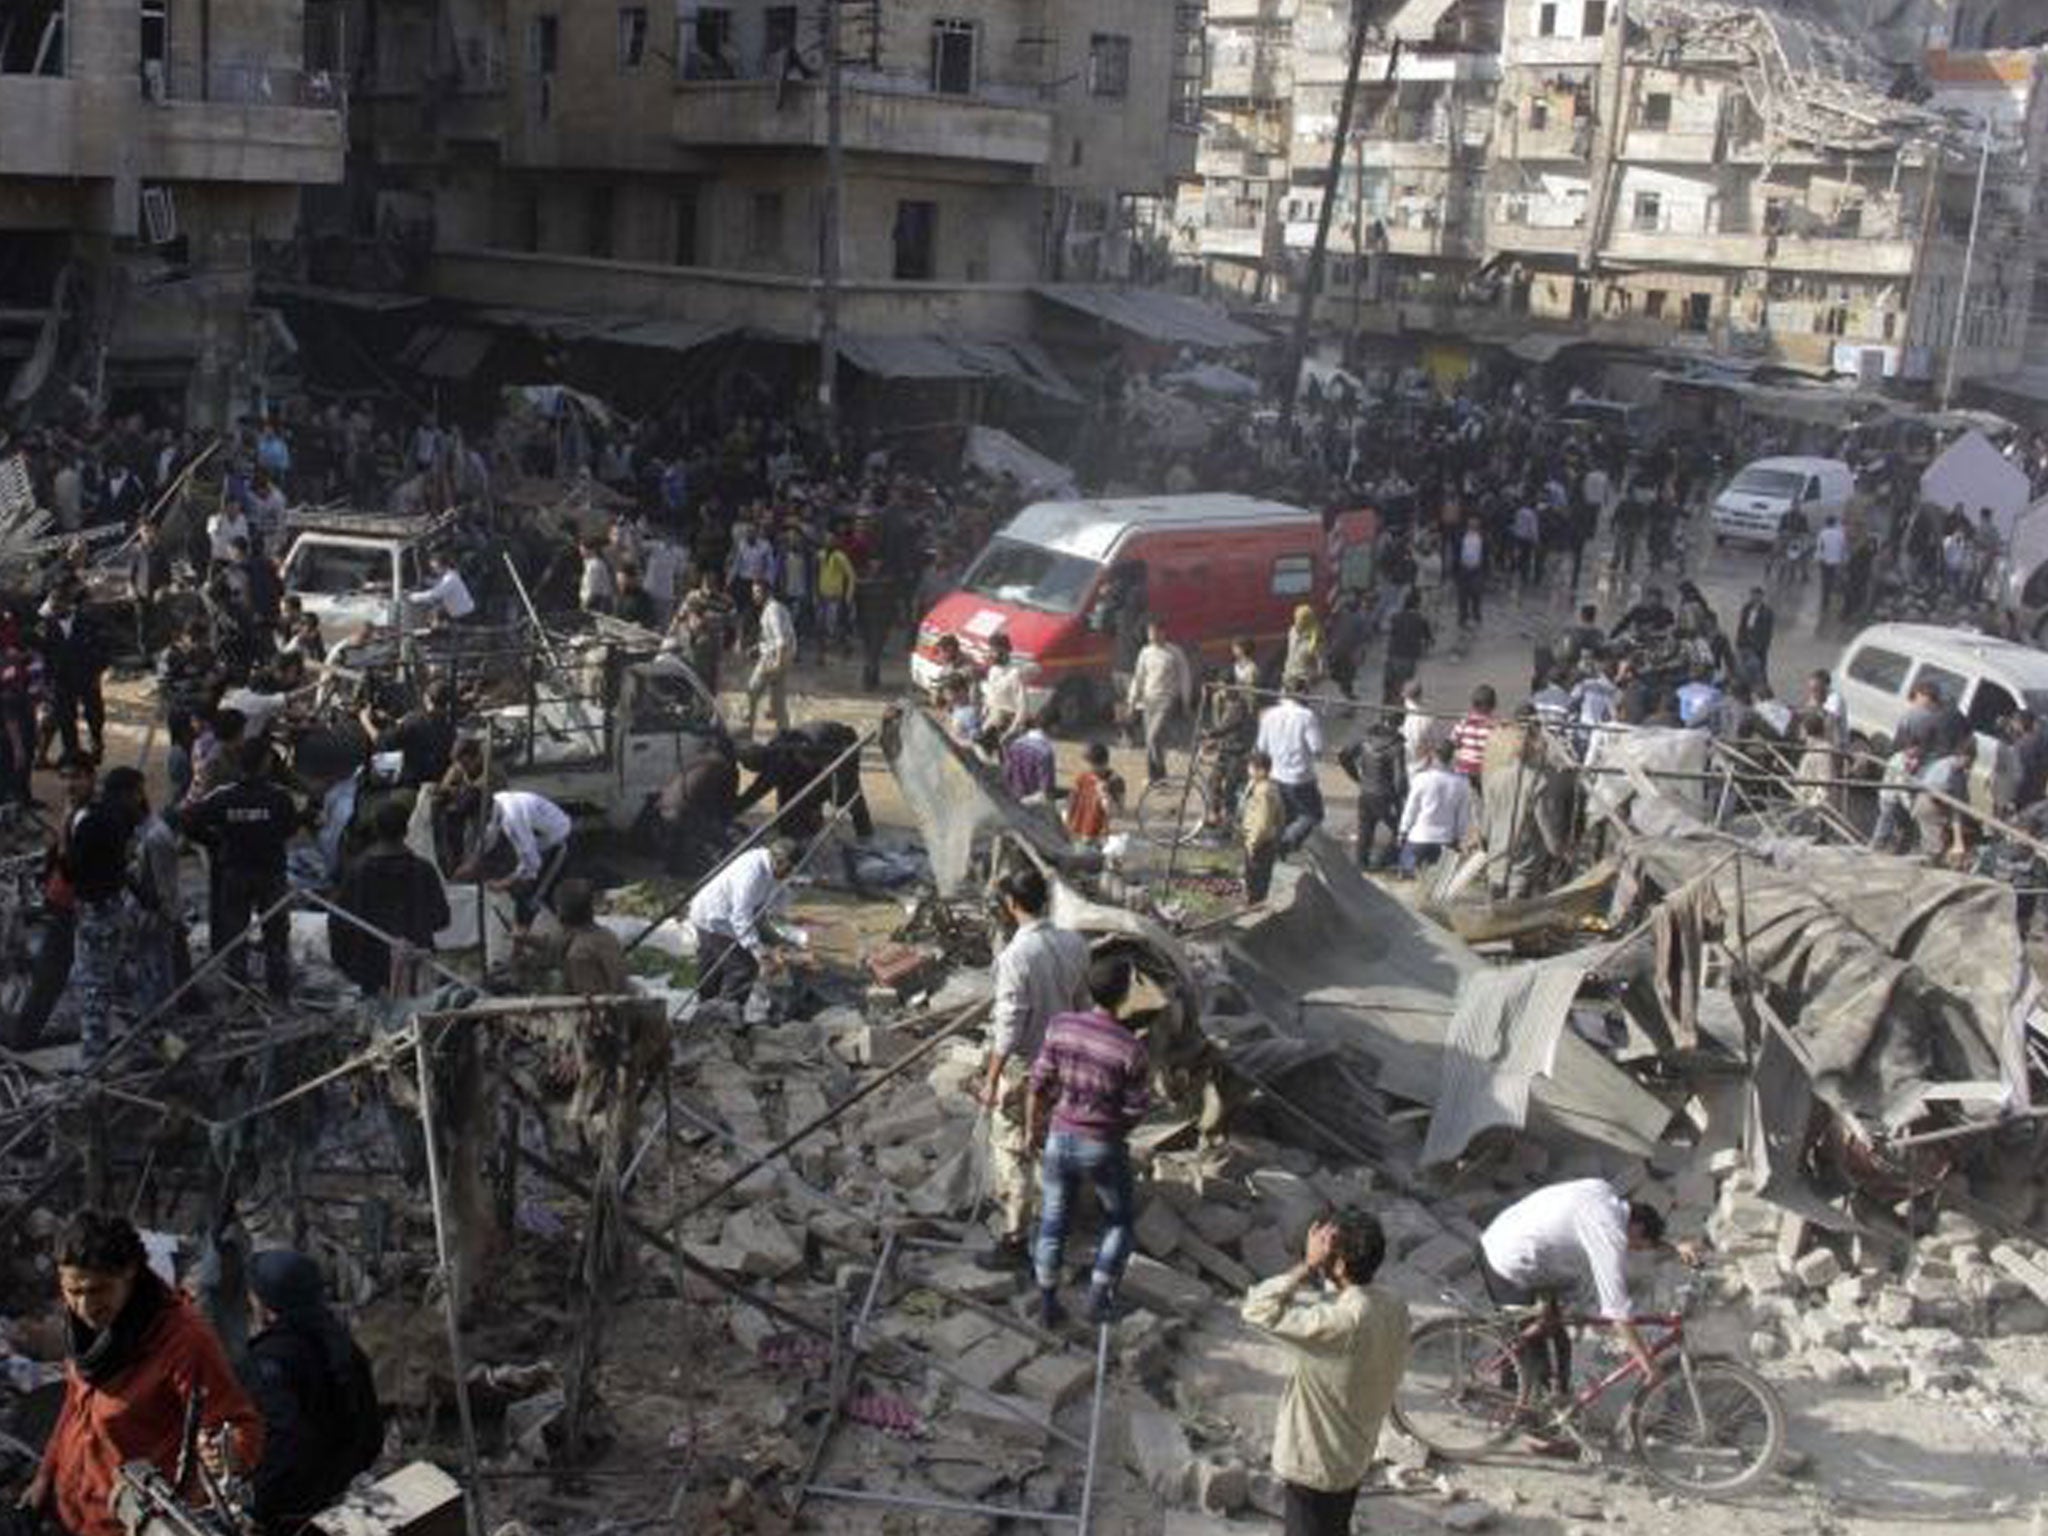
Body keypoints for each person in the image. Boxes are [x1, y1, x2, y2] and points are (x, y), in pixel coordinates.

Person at [24, 1211, 263, 1536]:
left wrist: (227, 1454)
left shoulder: (183, 1340)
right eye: (73, 1292)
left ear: (130, 1273)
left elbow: (241, 1427)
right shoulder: (85, 1331)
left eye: (98, 1290)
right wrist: (44, 1477)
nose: (84, 1307)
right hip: (69, 1512)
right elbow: (74, 1404)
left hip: (125, 1524)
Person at [1239, 1212, 1410, 1536]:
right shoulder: (1393, 1304)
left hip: (1315, 1464)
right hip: (1354, 1455)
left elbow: (1256, 1309)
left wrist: (1307, 1264)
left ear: (1341, 1264)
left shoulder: (1339, 1323)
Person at [1026, 952, 1152, 1327]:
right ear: (1126, 995)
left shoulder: (1060, 1025)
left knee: (1053, 1221)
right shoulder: (1132, 1048)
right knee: (1119, 1221)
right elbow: (1136, 1109)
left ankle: (1048, 1305)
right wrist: (1112, 1135)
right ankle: (1097, 1299)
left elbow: (1039, 1083)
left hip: (1058, 1136)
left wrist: (1034, 1127)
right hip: (1100, 1144)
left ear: (1087, 987)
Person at [974, 866, 1090, 1271]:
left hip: (1026, 1069)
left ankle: (1015, 1239)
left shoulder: (1016, 956)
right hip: (1064, 1063)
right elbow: (1082, 1005)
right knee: (1051, 1147)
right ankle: (1053, 1230)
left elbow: (1008, 1029)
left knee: (1014, 1150)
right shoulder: (1074, 942)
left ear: (1011, 904)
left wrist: (990, 1081)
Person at [1478, 1179, 1694, 1393]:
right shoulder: (1608, 1235)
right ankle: (1513, 1411)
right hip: (1505, 1261)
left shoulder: (1605, 1193)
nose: (1633, 1250)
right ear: (1636, 1228)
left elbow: (1644, 1236)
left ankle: (1552, 1402)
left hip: (1511, 1238)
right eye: (1636, 1246)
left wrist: (1675, 1247)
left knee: (1559, 1340)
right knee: (1536, 1358)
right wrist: (1648, 1365)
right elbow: (1616, 1312)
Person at [241, 1249, 383, 1533]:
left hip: (290, 1513)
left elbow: (287, 1441)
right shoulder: (342, 1344)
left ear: (265, 1304)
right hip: (340, 1500)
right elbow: (371, 1432)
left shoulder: (269, 1359)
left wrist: (257, 1508)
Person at [183, 739, 297, 1000]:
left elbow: (189, 819)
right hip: (271, 874)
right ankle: (278, 994)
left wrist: (215, 843)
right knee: (276, 937)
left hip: (235, 873)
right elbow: (290, 828)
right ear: (265, 763)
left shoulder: (224, 796)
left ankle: (237, 996)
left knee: (235, 936)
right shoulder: (279, 797)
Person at [328, 798, 450, 997]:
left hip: (370, 972)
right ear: (407, 830)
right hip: (416, 970)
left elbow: (339, 923)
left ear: (376, 829)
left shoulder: (358, 871)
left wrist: (348, 964)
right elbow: (441, 919)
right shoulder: (423, 870)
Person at [685, 838, 796, 1006]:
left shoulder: (774, 868)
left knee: (715, 965)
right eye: (787, 870)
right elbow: (740, 916)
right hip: (715, 918)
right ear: (779, 860)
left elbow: (770, 908)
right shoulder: (752, 872)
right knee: (743, 968)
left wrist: (777, 939)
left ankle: (707, 1010)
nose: (788, 874)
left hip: (726, 916)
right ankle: (725, 1018)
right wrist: (758, 950)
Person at [463, 789, 573, 936]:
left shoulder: (513, 820)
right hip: (538, 841)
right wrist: (474, 859)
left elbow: (532, 864)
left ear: (484, 812)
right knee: (541, 894)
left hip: (557, 843)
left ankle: (523, 944)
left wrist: (504, 883)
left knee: (532, 896)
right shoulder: (497, 800)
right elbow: (490, 833)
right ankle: (539, 938)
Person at [518, 876, 628, 995]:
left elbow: (587, 1002)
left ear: (560, 911)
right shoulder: (607, 935)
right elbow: (554, 943)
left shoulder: (579, 954)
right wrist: (525, 938)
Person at [1256, 677, 1324, 852]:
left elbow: (1261, 746)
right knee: (1312, 815)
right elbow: (1317, 748)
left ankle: (1281, 847)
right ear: (1304, 694)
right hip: (1300, 777)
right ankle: (1285, 843)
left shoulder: (1269, 714)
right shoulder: (1306, 716)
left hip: (1275, 774)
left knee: (1284, 816)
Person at [1126, 619, 1193, 783]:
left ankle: (1160, 772)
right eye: (1150, 632)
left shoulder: (1174, 652)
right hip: (1148, 701)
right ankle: (1154, 775)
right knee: (1151, 741)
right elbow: (1139, 677)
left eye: (1156, 631)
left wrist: (1186, 700)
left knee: (1153, 737)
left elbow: (1185, 677)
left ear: (1163, 632)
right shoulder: (1145, 652)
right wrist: (1132, 702)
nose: (1152, 635)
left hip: (1166, 701)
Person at [1337, 716, 1405, 870]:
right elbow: (1399, 779)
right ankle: (1384, 861)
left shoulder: (1365, 739)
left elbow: (1343, 756)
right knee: (1401, 829)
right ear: (1399, 725)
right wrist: (1399, 799)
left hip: (1366, 792)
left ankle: (1361, 864)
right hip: (1385, 796)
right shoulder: (1396, 747)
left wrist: (1356, 776)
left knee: (1365, 830)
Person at [1398, 738, 1471, 876]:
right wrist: (1459, 839)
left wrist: (1403, 831)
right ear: (1452, 757)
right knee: (1438, 883)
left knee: (1407, 879)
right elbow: (1462, 818)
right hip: (1445, 842)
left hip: (1418, 840)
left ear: (1433, 755)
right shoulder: (1462, 783)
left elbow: (1411, 810)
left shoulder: (1421, 779)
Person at [745, 577, 796, 738]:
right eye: (754, 592)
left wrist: (777, 664)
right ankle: (785, 735)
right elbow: (773, 639)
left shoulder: (772, 610)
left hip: (776, 657)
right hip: (781, 655)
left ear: (767, 592)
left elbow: (780, 639)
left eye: (758, 592)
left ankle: (748, 729)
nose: (755, 596)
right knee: (778, 701)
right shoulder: (773, 608)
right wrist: (757, 648)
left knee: (752, 689)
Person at [1240, 748, 1287, 902]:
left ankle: (1255, 905)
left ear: (1261, 770)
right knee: (1254, 878)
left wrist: (1253, 844)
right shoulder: (1262, 785)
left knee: (1255, 880)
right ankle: (1255, 901)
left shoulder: (1264, 792)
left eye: (1251, 767)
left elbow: (1263, 823)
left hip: (1261, 843)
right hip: (1263, 841)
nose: (1248, 769)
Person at [1064, 741, 1121, 846]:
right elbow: (1072, 800)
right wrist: (1067, 821)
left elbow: (1116, 812)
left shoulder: (1115, 782)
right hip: (1081, 831)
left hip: (1101, 834)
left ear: (1096, 764)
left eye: (1087, 763)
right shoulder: (1083, 777)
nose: (1084, 766)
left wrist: (1104, 794)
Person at [1382, 590, 1432, 705]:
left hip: (1393, 656)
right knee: (1404, 688)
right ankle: (1399, 713)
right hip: (1408, 659)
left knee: (1389, 688)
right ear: (1418, 604)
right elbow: (1428, 639)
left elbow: (1391, 632)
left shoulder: (1396, 617)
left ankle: (1386, 713)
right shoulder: (1421, 619)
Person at [407, 550, 476, 623]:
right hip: (459, 614)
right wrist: (425, 581)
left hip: (463, 616)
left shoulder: (450, 579)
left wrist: (414, 596)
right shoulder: (448, 576)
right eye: (432, 568)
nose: (434, 570)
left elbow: (435, 594)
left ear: (444, 566)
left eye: (435, 568)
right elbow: (438, 583)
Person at [1735, 586, 1774, 690]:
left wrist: (1764, 644)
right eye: (1752, 595)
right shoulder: (1746, 608)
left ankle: (1764, 689)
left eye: (1757, 595)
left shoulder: (1767, 611)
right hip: (1745, 642)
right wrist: (1739, 640)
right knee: (1744, 666)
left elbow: (1768, 630)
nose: (1754, 597)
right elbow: (1741, 625)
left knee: (1761, 669)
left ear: (1761, 596)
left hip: (1759, 644)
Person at [1815, 515, 1848, 619]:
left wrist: (1818, 558)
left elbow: (1820, 547)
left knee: (1825, 581)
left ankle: (1825, 601)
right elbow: (1843, 548)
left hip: (1824, 560)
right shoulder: (1840, 534)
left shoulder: (1822, 533)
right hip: (1836, 561)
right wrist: (1844, 560)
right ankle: (1831, 602)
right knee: (1834, 581)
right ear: (1834, 523)